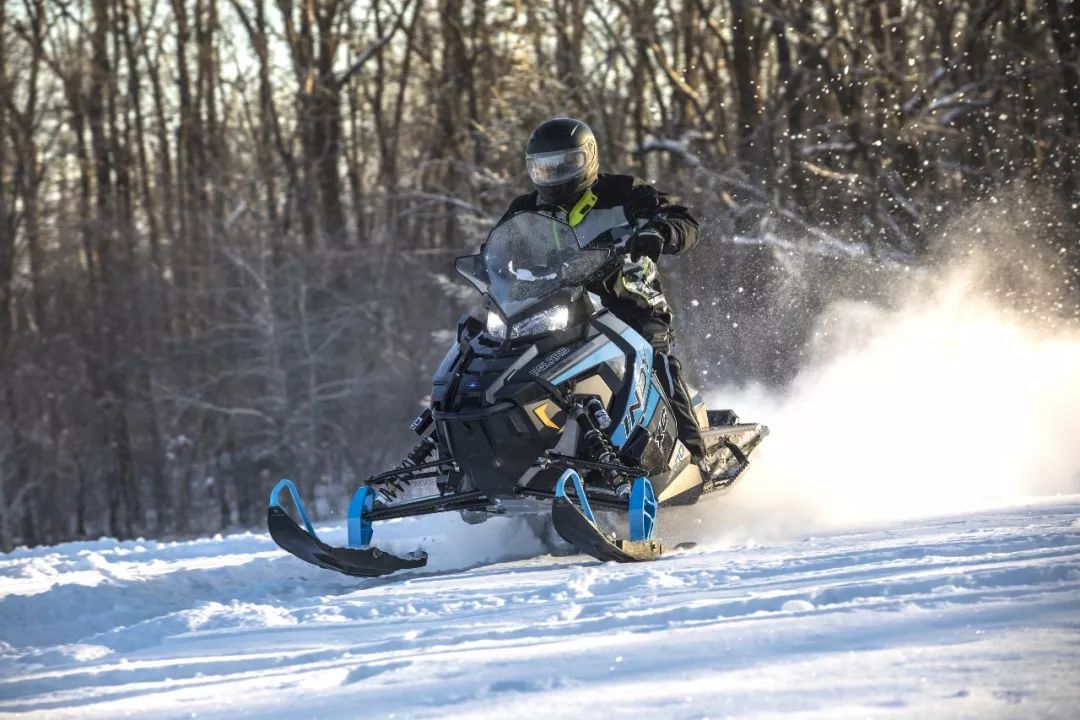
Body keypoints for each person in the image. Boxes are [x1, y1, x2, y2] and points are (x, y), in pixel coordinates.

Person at [496, 117, 710, 469]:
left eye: (565, 163)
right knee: (509, 365)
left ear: (588, 157)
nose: (555, 175)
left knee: (654, 358)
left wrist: (661, 231)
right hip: (560, 311)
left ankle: (693, 459)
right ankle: (510, 457)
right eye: (545, 168)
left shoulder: (623, 193)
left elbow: (683, 220)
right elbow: (500, 250)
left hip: (629, 306)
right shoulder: (526, 210)